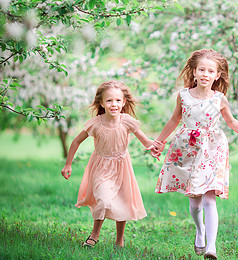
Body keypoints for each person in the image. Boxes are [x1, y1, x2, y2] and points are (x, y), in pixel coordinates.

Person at [148, 49, 238, 259]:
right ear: (194, 72)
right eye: (201, 69)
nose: (205, 74)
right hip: (187, 148)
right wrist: (159, 141)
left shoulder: (219, 99)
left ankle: (211, 247)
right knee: (195, 202)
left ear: (217, 75)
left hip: (212, 149)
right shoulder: (183, 95)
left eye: (210, 71)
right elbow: (174, 120)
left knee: (209, 199)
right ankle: (200, 230)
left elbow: (232, 122)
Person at [61, 80, 163, 248]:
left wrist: (152, 147)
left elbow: (146, 141)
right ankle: (95, 235)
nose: (113, 104)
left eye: (117, 100)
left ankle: (119, 241)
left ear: (123, 102)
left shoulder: (127, 121)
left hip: (122, 166)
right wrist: (68, 164)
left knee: (122, 202)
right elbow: (75, 142)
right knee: (103, 198)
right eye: (109, 100)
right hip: (101, 167)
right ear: (102, 103)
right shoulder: (95, 123)